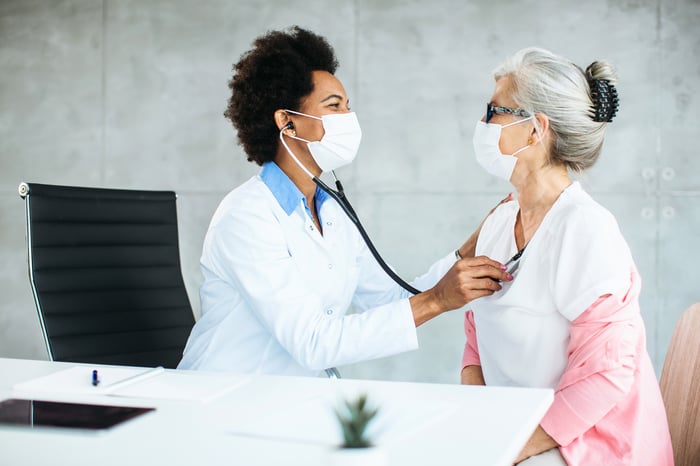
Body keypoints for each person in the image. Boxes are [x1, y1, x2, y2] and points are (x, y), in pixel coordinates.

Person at [178, 26, 511, 376]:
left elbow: (391, 300)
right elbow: (313, 343)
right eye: (334, 106)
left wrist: (466, 253)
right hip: (225, 399)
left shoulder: (331, 210)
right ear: (287, 122)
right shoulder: (247, 216)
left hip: (287, 399)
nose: (348, 119)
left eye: (348, 107)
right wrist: (437, 300)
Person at [460, 47, 673, 466]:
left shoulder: (585, 230)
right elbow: (474, 337)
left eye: (495, 110)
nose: (482, 123)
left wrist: (505, 451)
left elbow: (605, 375)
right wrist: (481, 427)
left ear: (536, 130)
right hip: (520, 436)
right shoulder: (500, 221)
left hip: (590, 446)